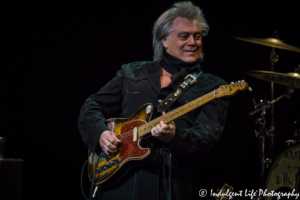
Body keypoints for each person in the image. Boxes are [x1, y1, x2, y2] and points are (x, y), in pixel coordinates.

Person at [78, 1, 229, 200]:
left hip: (169, 185)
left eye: (197, 36)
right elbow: (91, 106)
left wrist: (175, 135)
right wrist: (101, 134)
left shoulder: (212, 86)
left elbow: (207, 138)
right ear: (164, 40)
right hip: (116, 184)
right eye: (184, 36)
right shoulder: (132, 72)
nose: (193, 42)